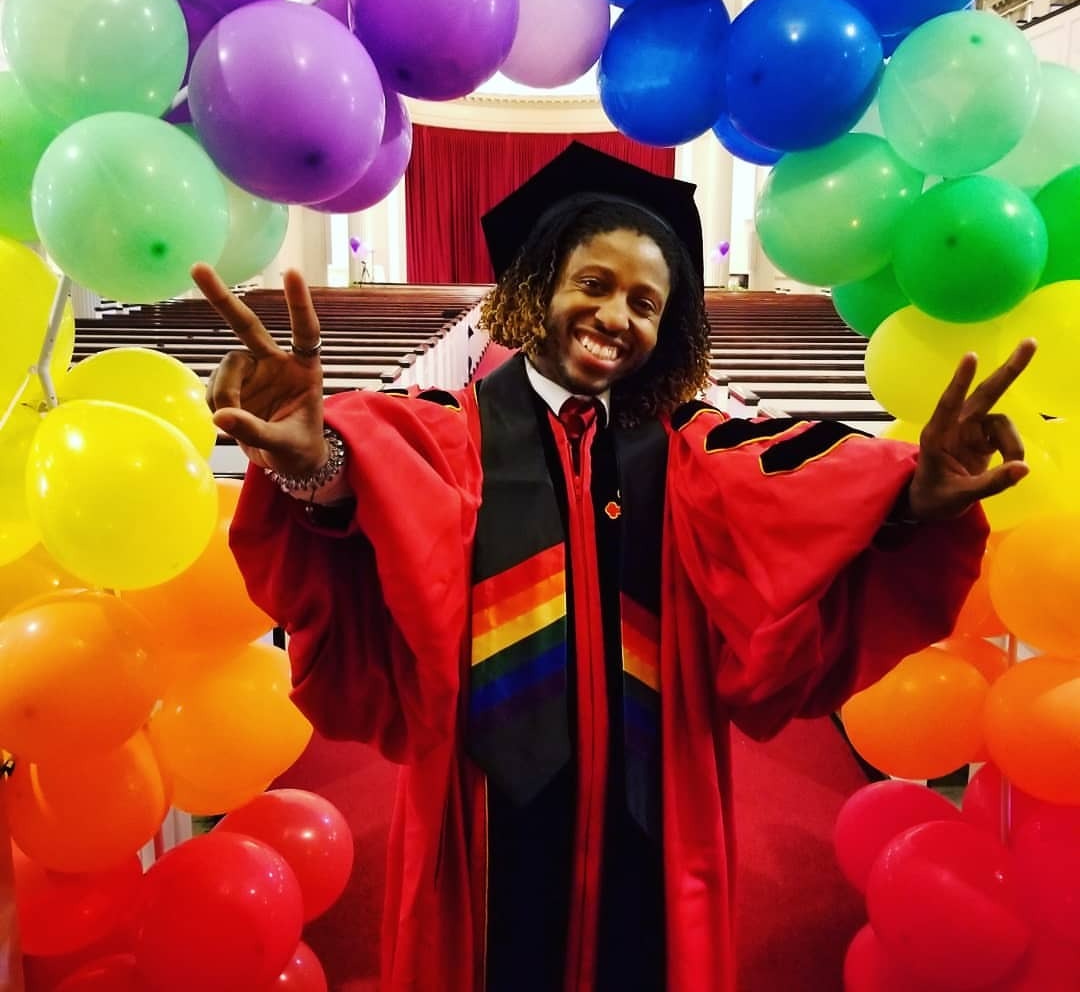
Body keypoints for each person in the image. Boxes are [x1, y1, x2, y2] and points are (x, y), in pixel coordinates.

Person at [192, 143, 1034, 992]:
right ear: (538, 287)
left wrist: (911, 497)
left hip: (654, 809)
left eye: (645, 302)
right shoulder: (454, 433)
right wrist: (311, 463)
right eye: (592, 284)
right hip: (487, 811)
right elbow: (372, 474)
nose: (615, 316)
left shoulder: (693, 452)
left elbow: (803, 498)